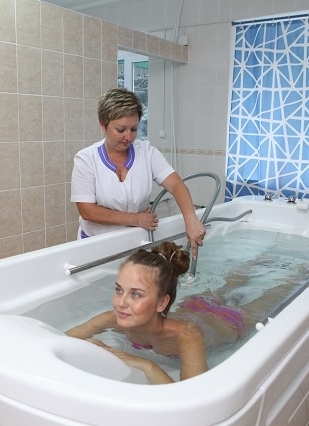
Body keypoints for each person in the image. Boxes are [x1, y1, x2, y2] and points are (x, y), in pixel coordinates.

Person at [70, 88, 206, 258]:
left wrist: (191, 218)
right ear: (103, 125)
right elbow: (87, 211)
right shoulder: (86, 159)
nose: (128, 137)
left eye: (134, 129)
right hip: (96, 248)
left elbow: (176, 185)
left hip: (136, 244)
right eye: (121, 130)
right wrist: (136, 219)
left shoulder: (147, 153)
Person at [66, 241, 208, 384]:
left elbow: (190, 394)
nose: (121, 303)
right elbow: (63, 341)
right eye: (119, 290)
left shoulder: (186, 335)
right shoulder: (112, 318)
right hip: (189, 309)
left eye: (135, 294)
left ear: (161, 303)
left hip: (216, 316)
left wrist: (148, 365)